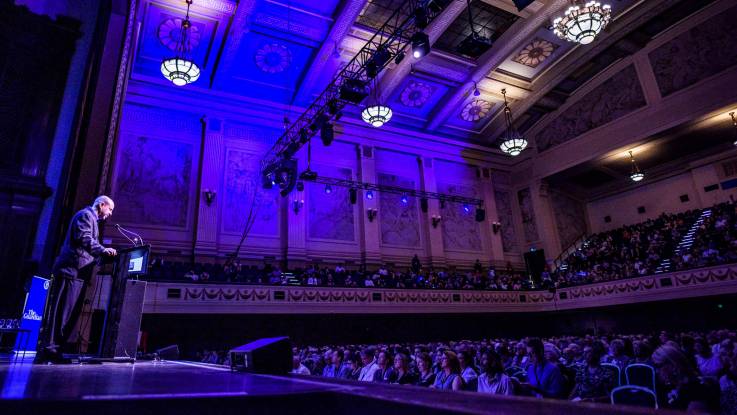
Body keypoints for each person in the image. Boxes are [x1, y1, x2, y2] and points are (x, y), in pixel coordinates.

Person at [37, 196, 117, 363]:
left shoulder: (91, 218)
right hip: (70, 271)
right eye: (110, 209)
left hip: (77, 273)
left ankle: (55, 350)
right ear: (101, 205)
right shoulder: (86, 215)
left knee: (67, 313)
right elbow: (85, 239)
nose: (110, 214)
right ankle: (49, 349)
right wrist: (103, 250)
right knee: (61, 312)